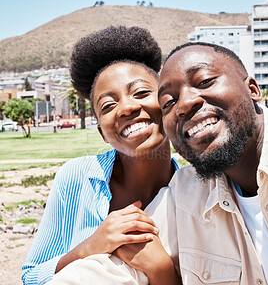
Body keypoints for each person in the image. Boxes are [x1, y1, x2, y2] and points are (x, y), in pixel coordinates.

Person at [45, 42, 268, 284]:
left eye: (204, 81)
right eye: (168, 101)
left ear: (253, 89)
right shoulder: (185, 195)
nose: (184, 103)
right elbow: (106, 272)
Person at [21, 26, 181, 285]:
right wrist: (92, 245)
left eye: (140, 93)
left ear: (166, 102)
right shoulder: (76, 177)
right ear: (102, 133)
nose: (128, 107)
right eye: (108, 105)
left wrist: (162, 271)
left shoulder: (196, 190)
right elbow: (31, 277)